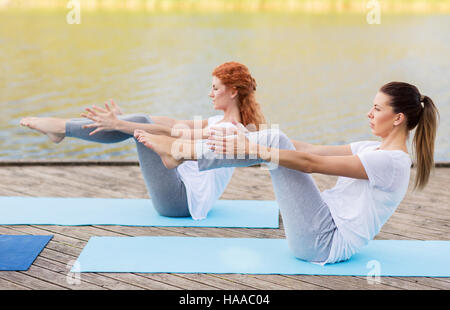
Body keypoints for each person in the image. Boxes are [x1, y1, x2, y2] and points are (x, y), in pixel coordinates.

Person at [134, 81, 440, 264]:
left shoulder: (392, 163)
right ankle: (182, 153)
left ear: (398, 118)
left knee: (271, 145)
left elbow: (311, 165)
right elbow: (311, 148)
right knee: (273, 140)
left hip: (325, 242)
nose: (369, 113)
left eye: (377, 108)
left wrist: (253, 147)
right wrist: (253, 134)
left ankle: (181, 153)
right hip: (320, 226)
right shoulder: (372, 148)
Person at [20, 62, 266, 220]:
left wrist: (123, 124)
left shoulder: (232, 131)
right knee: (139, 121)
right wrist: (125, 121)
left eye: (215, 88)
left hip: (179, 203)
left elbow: (174, 133)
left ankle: (61, 129)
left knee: (138, 126)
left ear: (233, 92)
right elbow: (174, 124)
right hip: (182, 192)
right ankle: (62, 130)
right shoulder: (218, 120)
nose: (209, 93)